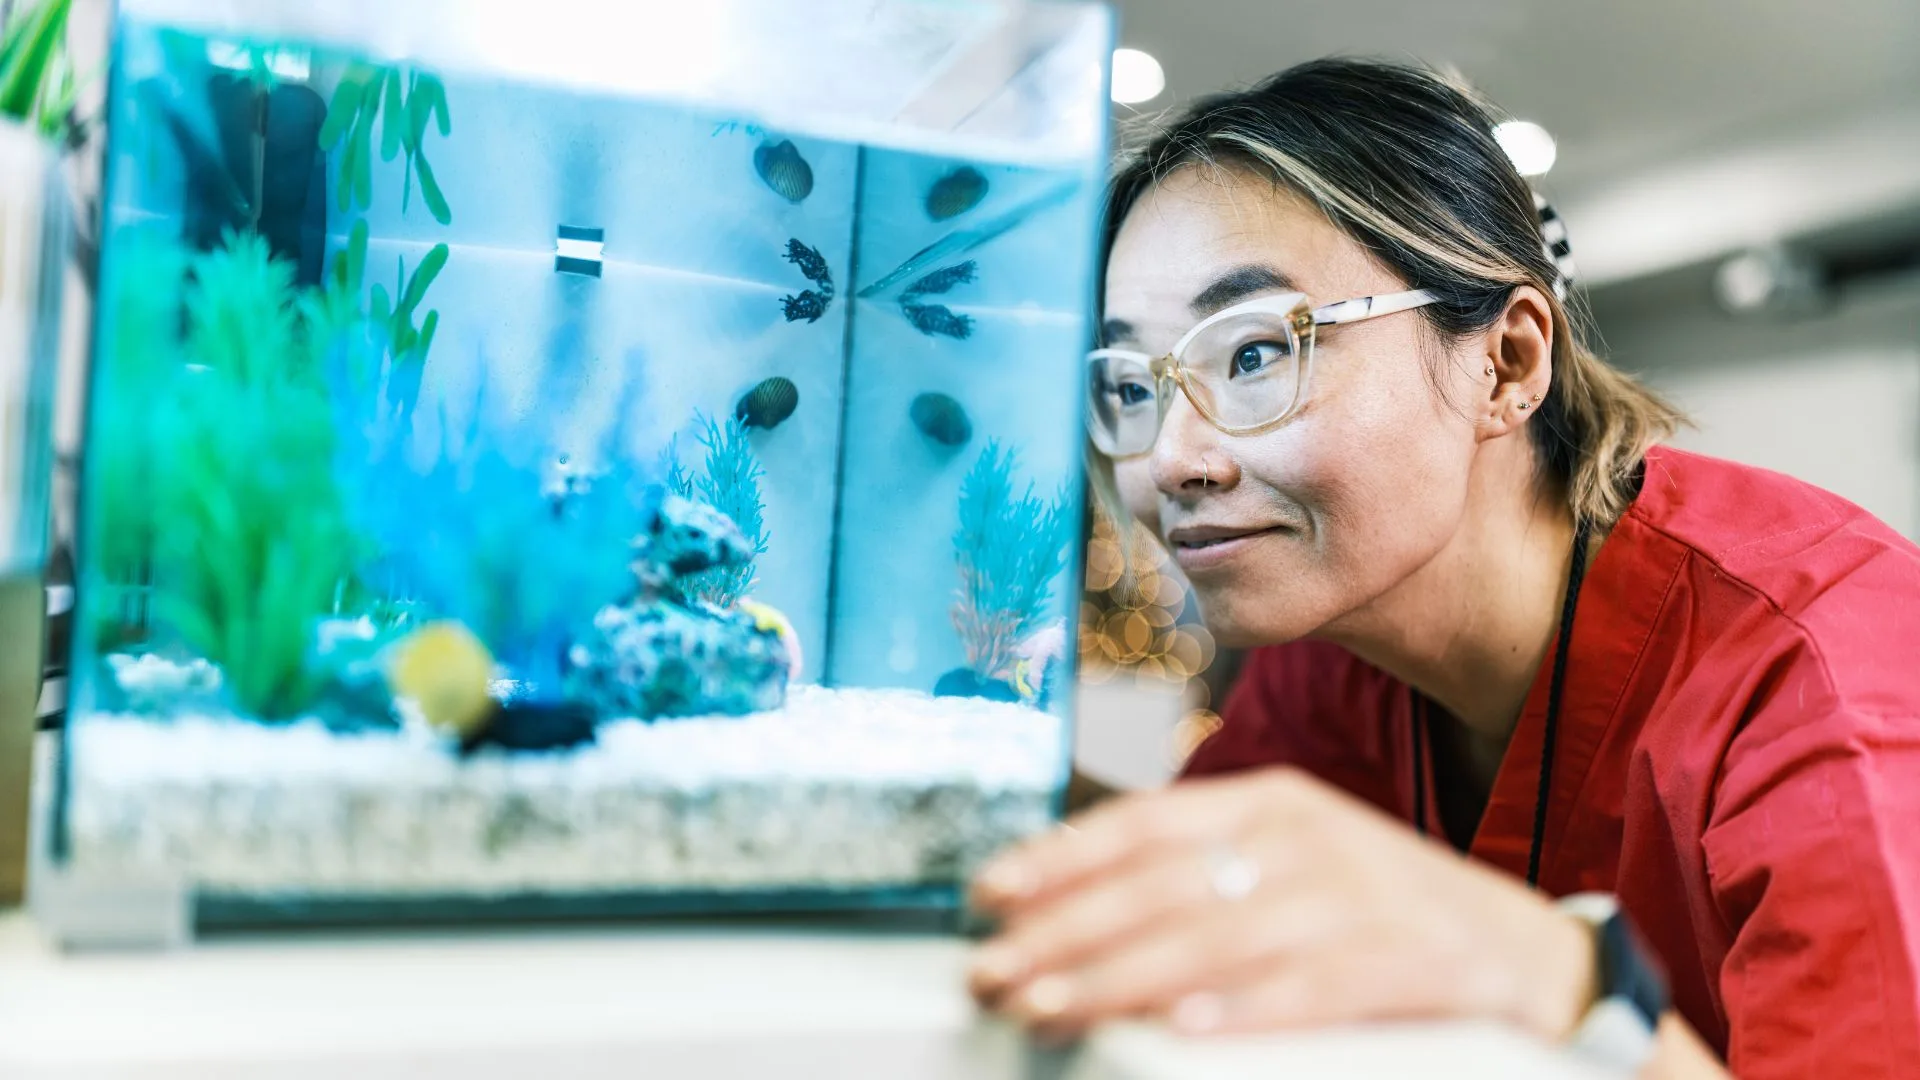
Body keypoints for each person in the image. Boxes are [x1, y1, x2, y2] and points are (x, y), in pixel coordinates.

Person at [964, 58, 1920, 1078]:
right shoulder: (1335, 645)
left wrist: (1556, 980)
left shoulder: (1822, 677)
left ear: (1506, 363)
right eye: (1133, 385)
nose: (1169, 461)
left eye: (1253, 353)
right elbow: (1212, 893)